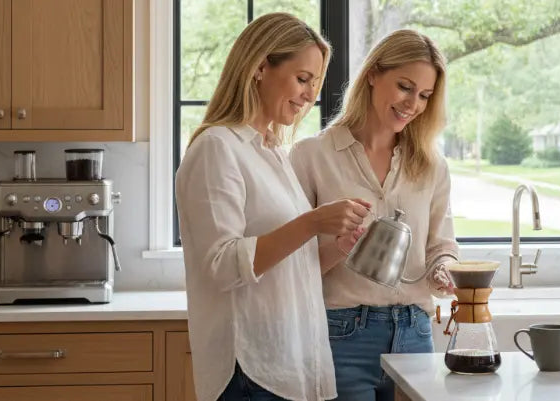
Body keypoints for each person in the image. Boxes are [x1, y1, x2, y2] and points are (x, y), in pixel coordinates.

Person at [175, 13, 370, 401]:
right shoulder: (217, 148)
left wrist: (339, 246)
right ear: (261, 67)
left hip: (292, 363)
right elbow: (221, 266)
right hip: (250, 369)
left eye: (315, 84)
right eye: (302, 79)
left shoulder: (273, 154)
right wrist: (314, 221)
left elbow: (291, 268)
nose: (309, 95)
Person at [289, 29, 459, 401]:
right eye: (404, 86)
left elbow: (441, 246)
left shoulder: (432, 166)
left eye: (425, 96)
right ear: (372, 74)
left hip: (415, 334)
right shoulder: (311, 157)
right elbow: (291, 269)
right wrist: (339, 246)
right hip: (341, 335)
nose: (413, 104)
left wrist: (443, 268)